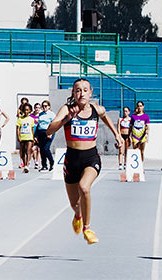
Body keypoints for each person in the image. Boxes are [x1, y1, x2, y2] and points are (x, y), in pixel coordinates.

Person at [46, 78, 120, 245]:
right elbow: (50, 130)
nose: (81, 93)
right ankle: (78, 215)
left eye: (85, 90)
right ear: (73, 93)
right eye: (78, 90)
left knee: (84, 188)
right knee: (74, 204)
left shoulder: (96, 109)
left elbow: (105, 116)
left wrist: (116, 134)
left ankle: (87, 228)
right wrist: (65, 120)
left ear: (90, 92)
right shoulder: (67, 109)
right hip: (71, 160)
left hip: (91, 158)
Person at [35, 100, 56, 172]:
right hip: (41, 132)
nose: (44, 107)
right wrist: (36, 135)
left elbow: (54, 124)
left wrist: (51, 133)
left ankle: (52, 162)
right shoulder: (40, 114)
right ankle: (44, 165)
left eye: (46, 106)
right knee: (41, 149)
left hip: (49, 132)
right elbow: (39, 125)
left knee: (46, 149)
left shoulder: (52, 114)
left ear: (49, 107)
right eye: (43, 106)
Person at [16, 103, 36, 174]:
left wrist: (33, 138)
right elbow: (18, 129)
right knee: (22, 152)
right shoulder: (20, 119)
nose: (26, 111)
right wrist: (18, 137)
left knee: (28, 151)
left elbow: (32, 129)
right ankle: (24, 164)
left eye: (27, 110)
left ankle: (27, 165)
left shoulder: (31, 119)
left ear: (30, 110)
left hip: (29, 137)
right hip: (22, 137)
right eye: (25, 110)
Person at [129, 101, 150, 167]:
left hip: (142, 136)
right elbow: (131, 126)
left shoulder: (146, 116)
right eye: (138, 106)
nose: (139, 107)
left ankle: (141, 164)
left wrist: (147, 134)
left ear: (143, 107)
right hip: (135, 135)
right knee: (135, 150)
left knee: (142, 151)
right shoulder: (133, 116)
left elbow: (147, 127)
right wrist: (129, 135)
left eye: (141, 106)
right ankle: (135, 165)